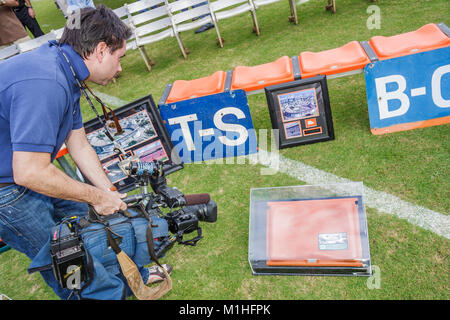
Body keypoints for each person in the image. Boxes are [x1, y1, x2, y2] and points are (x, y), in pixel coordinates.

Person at [0, 5, 171, 300]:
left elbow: (79, 144)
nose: (119, 68)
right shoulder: (47, 82)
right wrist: (97, 196)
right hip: (9, 190)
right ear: (101, 50)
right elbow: (29, 171)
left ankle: (132, 281)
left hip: (32, 172)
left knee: (96, 228)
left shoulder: (65, 66)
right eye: (120, 58)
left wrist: (108, 193)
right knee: (71, 263)